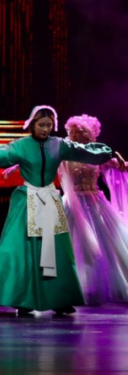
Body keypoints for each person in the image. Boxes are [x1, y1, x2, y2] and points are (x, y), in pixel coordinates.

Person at [0, 106, 118, 315]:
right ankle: (23, 300)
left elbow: (84, 151)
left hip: (49, 201)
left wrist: (107, 152)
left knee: (57, 252)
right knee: (22, 250)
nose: (45, 129)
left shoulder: (59, 144)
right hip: (28, 201)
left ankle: (61, 299)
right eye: (41, 125)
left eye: (49, 125)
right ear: (32, 125)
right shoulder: (21, 145)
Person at [57, 114, 128, 304]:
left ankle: (98, 285)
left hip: (95, 202)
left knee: (105, 244)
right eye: (71, 132)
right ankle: (71, 286)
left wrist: (119, 159)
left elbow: (120, 167)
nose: (73, 135)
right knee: (72, 244)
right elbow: (43, 161)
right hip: (72, 203)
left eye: (78, 132)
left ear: (88, 134)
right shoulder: (64, 153)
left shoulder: (97, 155)